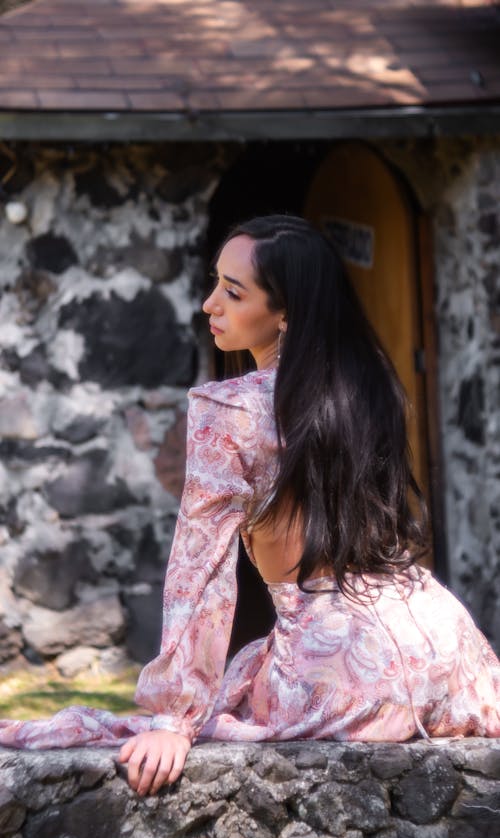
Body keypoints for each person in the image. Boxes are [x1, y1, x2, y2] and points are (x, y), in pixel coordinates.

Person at [1, 216, 498, 796]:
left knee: (178, 718)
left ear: (286, 313)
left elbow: (200, 569)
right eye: (216, 283)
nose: (211, 303)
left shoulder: (227, 409)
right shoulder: (371, 389)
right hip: (445, 646)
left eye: (233, 292)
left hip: (337, 668)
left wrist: (173, 717)